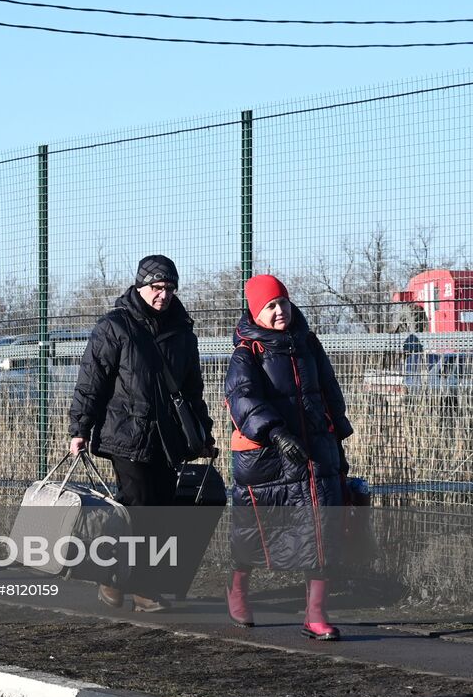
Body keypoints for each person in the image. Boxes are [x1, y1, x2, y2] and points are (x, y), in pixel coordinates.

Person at [67, 254, 214, 612]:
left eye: (169, 288)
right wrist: (79, 428)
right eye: (156, 287)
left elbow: (192, 390)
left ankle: (113, 579)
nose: (163, 294)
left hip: (168, 439)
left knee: (161, 512)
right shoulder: (115, 326)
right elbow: (93, 380)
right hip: (126, 434)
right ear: (140, 285)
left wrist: (204, 435)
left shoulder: (182, 332)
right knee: (140, 509)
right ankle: (141, 589)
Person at [224, 274, 353, 640]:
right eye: (270, 306)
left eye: (283, 302)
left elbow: (327, 388)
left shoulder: (308, 343)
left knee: (321, 530)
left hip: (314, 450)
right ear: (256, 311)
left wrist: (337, 432)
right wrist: (276, 432)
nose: (280, 311)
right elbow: (243, 399)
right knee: (255, 531)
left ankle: (315, 615)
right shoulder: (247, 352)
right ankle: (237, 589)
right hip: (267, 458)